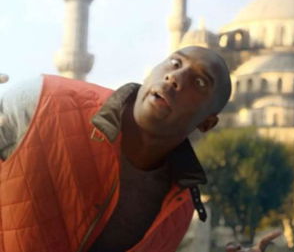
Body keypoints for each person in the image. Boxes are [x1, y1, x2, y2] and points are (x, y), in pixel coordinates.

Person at [0, 46, 278, 252]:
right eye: (174, 63)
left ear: (207, 123)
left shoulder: (176, 211)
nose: (175, 77)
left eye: (199, 81)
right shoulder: (44, 102)